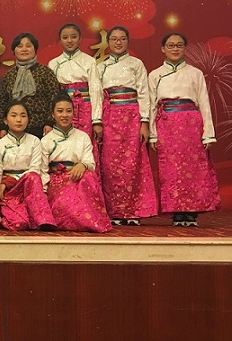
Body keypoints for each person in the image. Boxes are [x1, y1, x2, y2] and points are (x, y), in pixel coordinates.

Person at [148, 33, 221, 227]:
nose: (175, 49)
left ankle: (191, 213)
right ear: (163, 49)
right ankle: (176, 213)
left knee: (192, 169)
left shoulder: (195, 73)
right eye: (170, 45)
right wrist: (153, 134)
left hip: (191, 125)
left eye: (179, 45)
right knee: (171, 171)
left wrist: (208, 134)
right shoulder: (155, 75)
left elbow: (204, 103)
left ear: (185, 48)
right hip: (167, 126)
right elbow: (151, 106)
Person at [97, 26, 157, 226]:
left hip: (132, 116)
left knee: (133, 163)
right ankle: (114, 211)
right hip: (110, 117)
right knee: (110, 165)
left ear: (128, 41)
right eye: (114, 39)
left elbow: (144, 94)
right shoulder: (101, 67)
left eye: (122, 39)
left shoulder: (136, 64)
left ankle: (133, 211)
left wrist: (144, 122)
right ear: (108, 42)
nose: (118, 42)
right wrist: (98, 121)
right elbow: (97, 96)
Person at [41, 93, 111, 233]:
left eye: (68, 111)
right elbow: (42, 170)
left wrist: (82, 165)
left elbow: (90, 162)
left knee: (89, 177)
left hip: (78, 178)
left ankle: (89, 222)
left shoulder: (83, 137)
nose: (64, 115)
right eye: (60, 111)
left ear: (73, 113)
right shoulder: (46, 140)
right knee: (65, 200)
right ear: (53, 114)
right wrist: (44, 191)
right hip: (56, 180)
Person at [0, 101, 56, 231]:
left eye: (23, 115)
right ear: (5, 120)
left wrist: (10, 181)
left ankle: (43, 219)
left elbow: (35, 169)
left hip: (29, 189)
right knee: (19, 224)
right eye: (14, 115)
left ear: (28, 119)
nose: (19, 120)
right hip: (9, 192)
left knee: (33, 177)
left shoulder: (35, 141)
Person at [47, 23, 103, 157]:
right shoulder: (53, 64)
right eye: (65, 37)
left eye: (73, 37)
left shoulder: (89, 61)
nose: (69, 41)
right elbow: (51, 95)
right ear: (60, 40)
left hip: (85, 109)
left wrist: (96, 120)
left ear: (80, 39)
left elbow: (96, 91)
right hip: (63, 111)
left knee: (85, 146)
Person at [0, 32, 60, 139]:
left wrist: (49, 123)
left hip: (41, 128)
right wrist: (2, 127)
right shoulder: (9, 75)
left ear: (35, 49)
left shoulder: (46, 72)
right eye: (20, 46)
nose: (24, 49)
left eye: (28, 46)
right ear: (14, 51)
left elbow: (54, 99)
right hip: (14, 129)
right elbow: (3, 102)